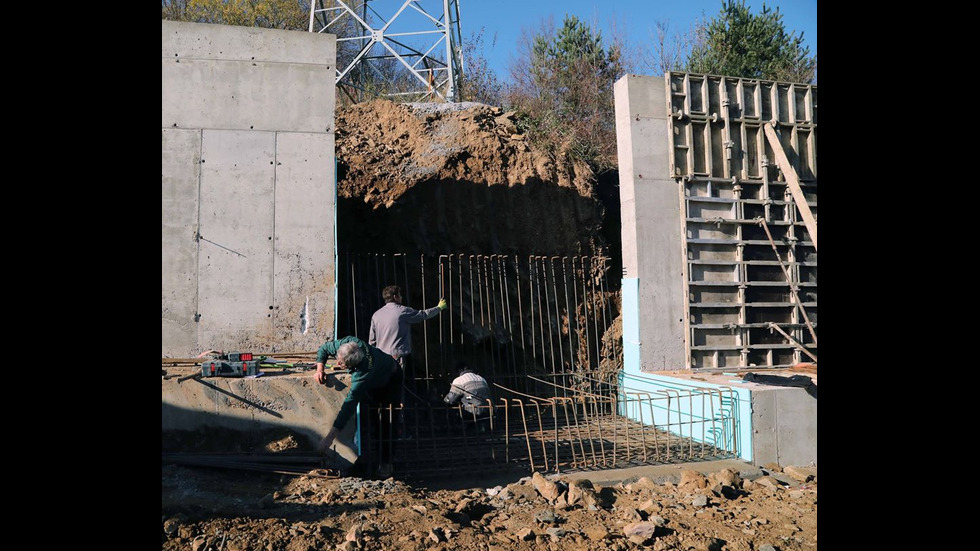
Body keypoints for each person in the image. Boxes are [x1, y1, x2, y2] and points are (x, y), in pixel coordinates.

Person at [315, 335, 402, 477]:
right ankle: (368, 458)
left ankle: (386, 463)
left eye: (343, 365)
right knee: (370, 417)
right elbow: (324, 349)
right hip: (375, 377)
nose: (338, 364)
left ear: (354, 366)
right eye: (339, 360)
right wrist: (320, 368)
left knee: (387, 422)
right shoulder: (346, 343)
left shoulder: (363, 373)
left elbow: (349, 405)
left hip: (390, 378)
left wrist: (330, 437)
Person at [369, 285, 447, 409]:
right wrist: (438, 308)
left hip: (380, 358)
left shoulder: (376, 315)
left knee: (383, 387)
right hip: (397, 357)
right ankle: (397, 417)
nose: (402, 297)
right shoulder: (403, 311)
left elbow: (371, 341)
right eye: (400, 294)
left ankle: (382, 413)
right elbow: (423, 315)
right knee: (397, 388)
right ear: (395, 296)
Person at [443, 361, 492, 428]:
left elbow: (450, 399)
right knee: (468, 398)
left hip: (471, 412)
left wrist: (444, 400)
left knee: (453, 407)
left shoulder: (459, 380)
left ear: (459, 370)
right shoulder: (482, 378)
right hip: (487, 411)